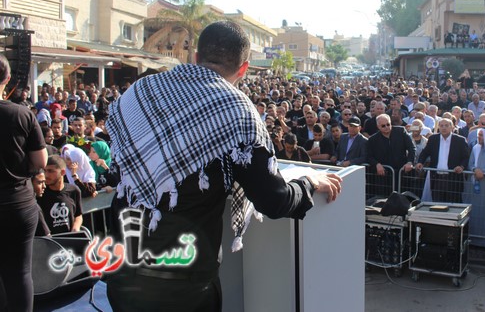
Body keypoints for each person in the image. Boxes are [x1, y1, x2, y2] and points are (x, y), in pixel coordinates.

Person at [105, 20, 342, 311]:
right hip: (183, 283)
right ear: (243, 69)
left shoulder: (139, 92)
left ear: (195, 57)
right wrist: (309, 182)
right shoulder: (236, 109)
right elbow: (274, 200)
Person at [0, 54, 48, 312]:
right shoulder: (22, 114)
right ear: (8, 80)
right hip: (18, 205)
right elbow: (41, 161)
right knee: (19, 273)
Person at [415, 118, 469, 203]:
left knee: (453, 205)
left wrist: (461, 166)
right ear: (439, 127)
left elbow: (466, 157)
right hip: (437, 178)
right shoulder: (433, 139)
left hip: (453, 178)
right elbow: (425, 152)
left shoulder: (460, 140)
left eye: (446, 125)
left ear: (452, 127)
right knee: (437, 204)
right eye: (441, 126)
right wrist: (420, 162)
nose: (444, 128)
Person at [38, 155, 83, 234]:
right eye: (44, 171)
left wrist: (76, 228)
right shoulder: (40, 193)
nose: (46, 175)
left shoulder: (74, 190)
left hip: (69, 240)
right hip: (48, 241)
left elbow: (78, 215)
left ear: (63, 172)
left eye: (50, 171)